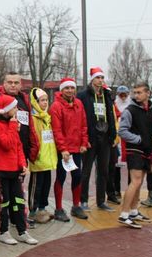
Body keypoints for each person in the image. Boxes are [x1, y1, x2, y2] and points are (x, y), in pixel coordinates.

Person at [0, 72, 38, 227]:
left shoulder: (24, 100)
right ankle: (1, 221)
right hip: (3, 156)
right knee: (3, 193)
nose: (13, 85)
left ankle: (17, 218)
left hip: (20, 151)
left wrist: (33, 146)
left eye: (16, 82)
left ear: (21, 84)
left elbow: (30, 125)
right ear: (4, 83)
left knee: (18, 190)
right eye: (9, 82)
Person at [117, 82, 152, 229]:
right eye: (135, 93)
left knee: (139, 182)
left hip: (147, 150)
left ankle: (134, 212)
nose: (136, 95)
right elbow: (122, 131)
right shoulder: (130, 110)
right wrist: (139, 139)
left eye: (139, 92)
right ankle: (124, 214)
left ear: (148, 93)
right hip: (134, 150)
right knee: (135, 181)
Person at [77, 67, 117, 212]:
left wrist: (113, 135)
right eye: (97, 78)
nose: (100, 80)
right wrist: (83, 138)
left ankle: (101, 201)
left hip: (105, 137)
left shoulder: (106, 95)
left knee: (103, 170)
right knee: (86, 171)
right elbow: (80, 118)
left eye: (102, 78)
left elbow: (111, 115)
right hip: (90, 138)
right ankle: (83, 200)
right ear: (92, 79)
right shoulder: (83, 95)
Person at [49, 78, 89, 221]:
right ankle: (58, 209)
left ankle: (76, 206)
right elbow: (56, 130)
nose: (70, 91)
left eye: (72, 88)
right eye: (67, 88)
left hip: (77, 148)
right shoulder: (56, 106)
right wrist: (63, 149)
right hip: (64, 151)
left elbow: (84, 125)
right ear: (61, 90)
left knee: (77, 176)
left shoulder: (78, 104)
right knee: (61, 177)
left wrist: (84, 142)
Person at [28, 88, 57, 224]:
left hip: (47, 159)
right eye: (42, 100)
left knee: (46, 185)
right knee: (36, 186)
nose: (45, 103)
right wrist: (35, 154)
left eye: (46, 100)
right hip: (38, 159)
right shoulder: (33, 118)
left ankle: (42, 209)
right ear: (35, 102)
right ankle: (32, 212)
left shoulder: (47, 117)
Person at [111, 86, 132, 201]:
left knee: (132, 167)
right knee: (117, 166)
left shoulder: (132, 105)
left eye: (125, 95)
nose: (123, 97)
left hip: (130, 138)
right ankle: (116, 190)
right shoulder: (114, 105)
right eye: (121, 95)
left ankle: (131, 191)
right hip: (118, 139)